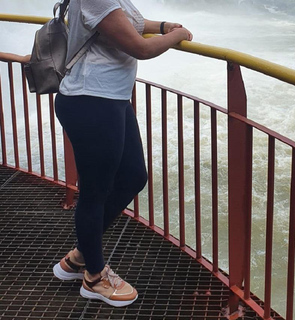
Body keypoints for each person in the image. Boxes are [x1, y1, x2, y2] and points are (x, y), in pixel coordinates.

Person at [52, 0, 193, 307]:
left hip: (111, 100)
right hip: (90, 101)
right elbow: (140, 48)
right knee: (95, 192)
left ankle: (79, 257)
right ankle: (94, 277)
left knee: (132, 177)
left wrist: (164, 26)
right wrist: (178, 36)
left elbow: (133, 23)